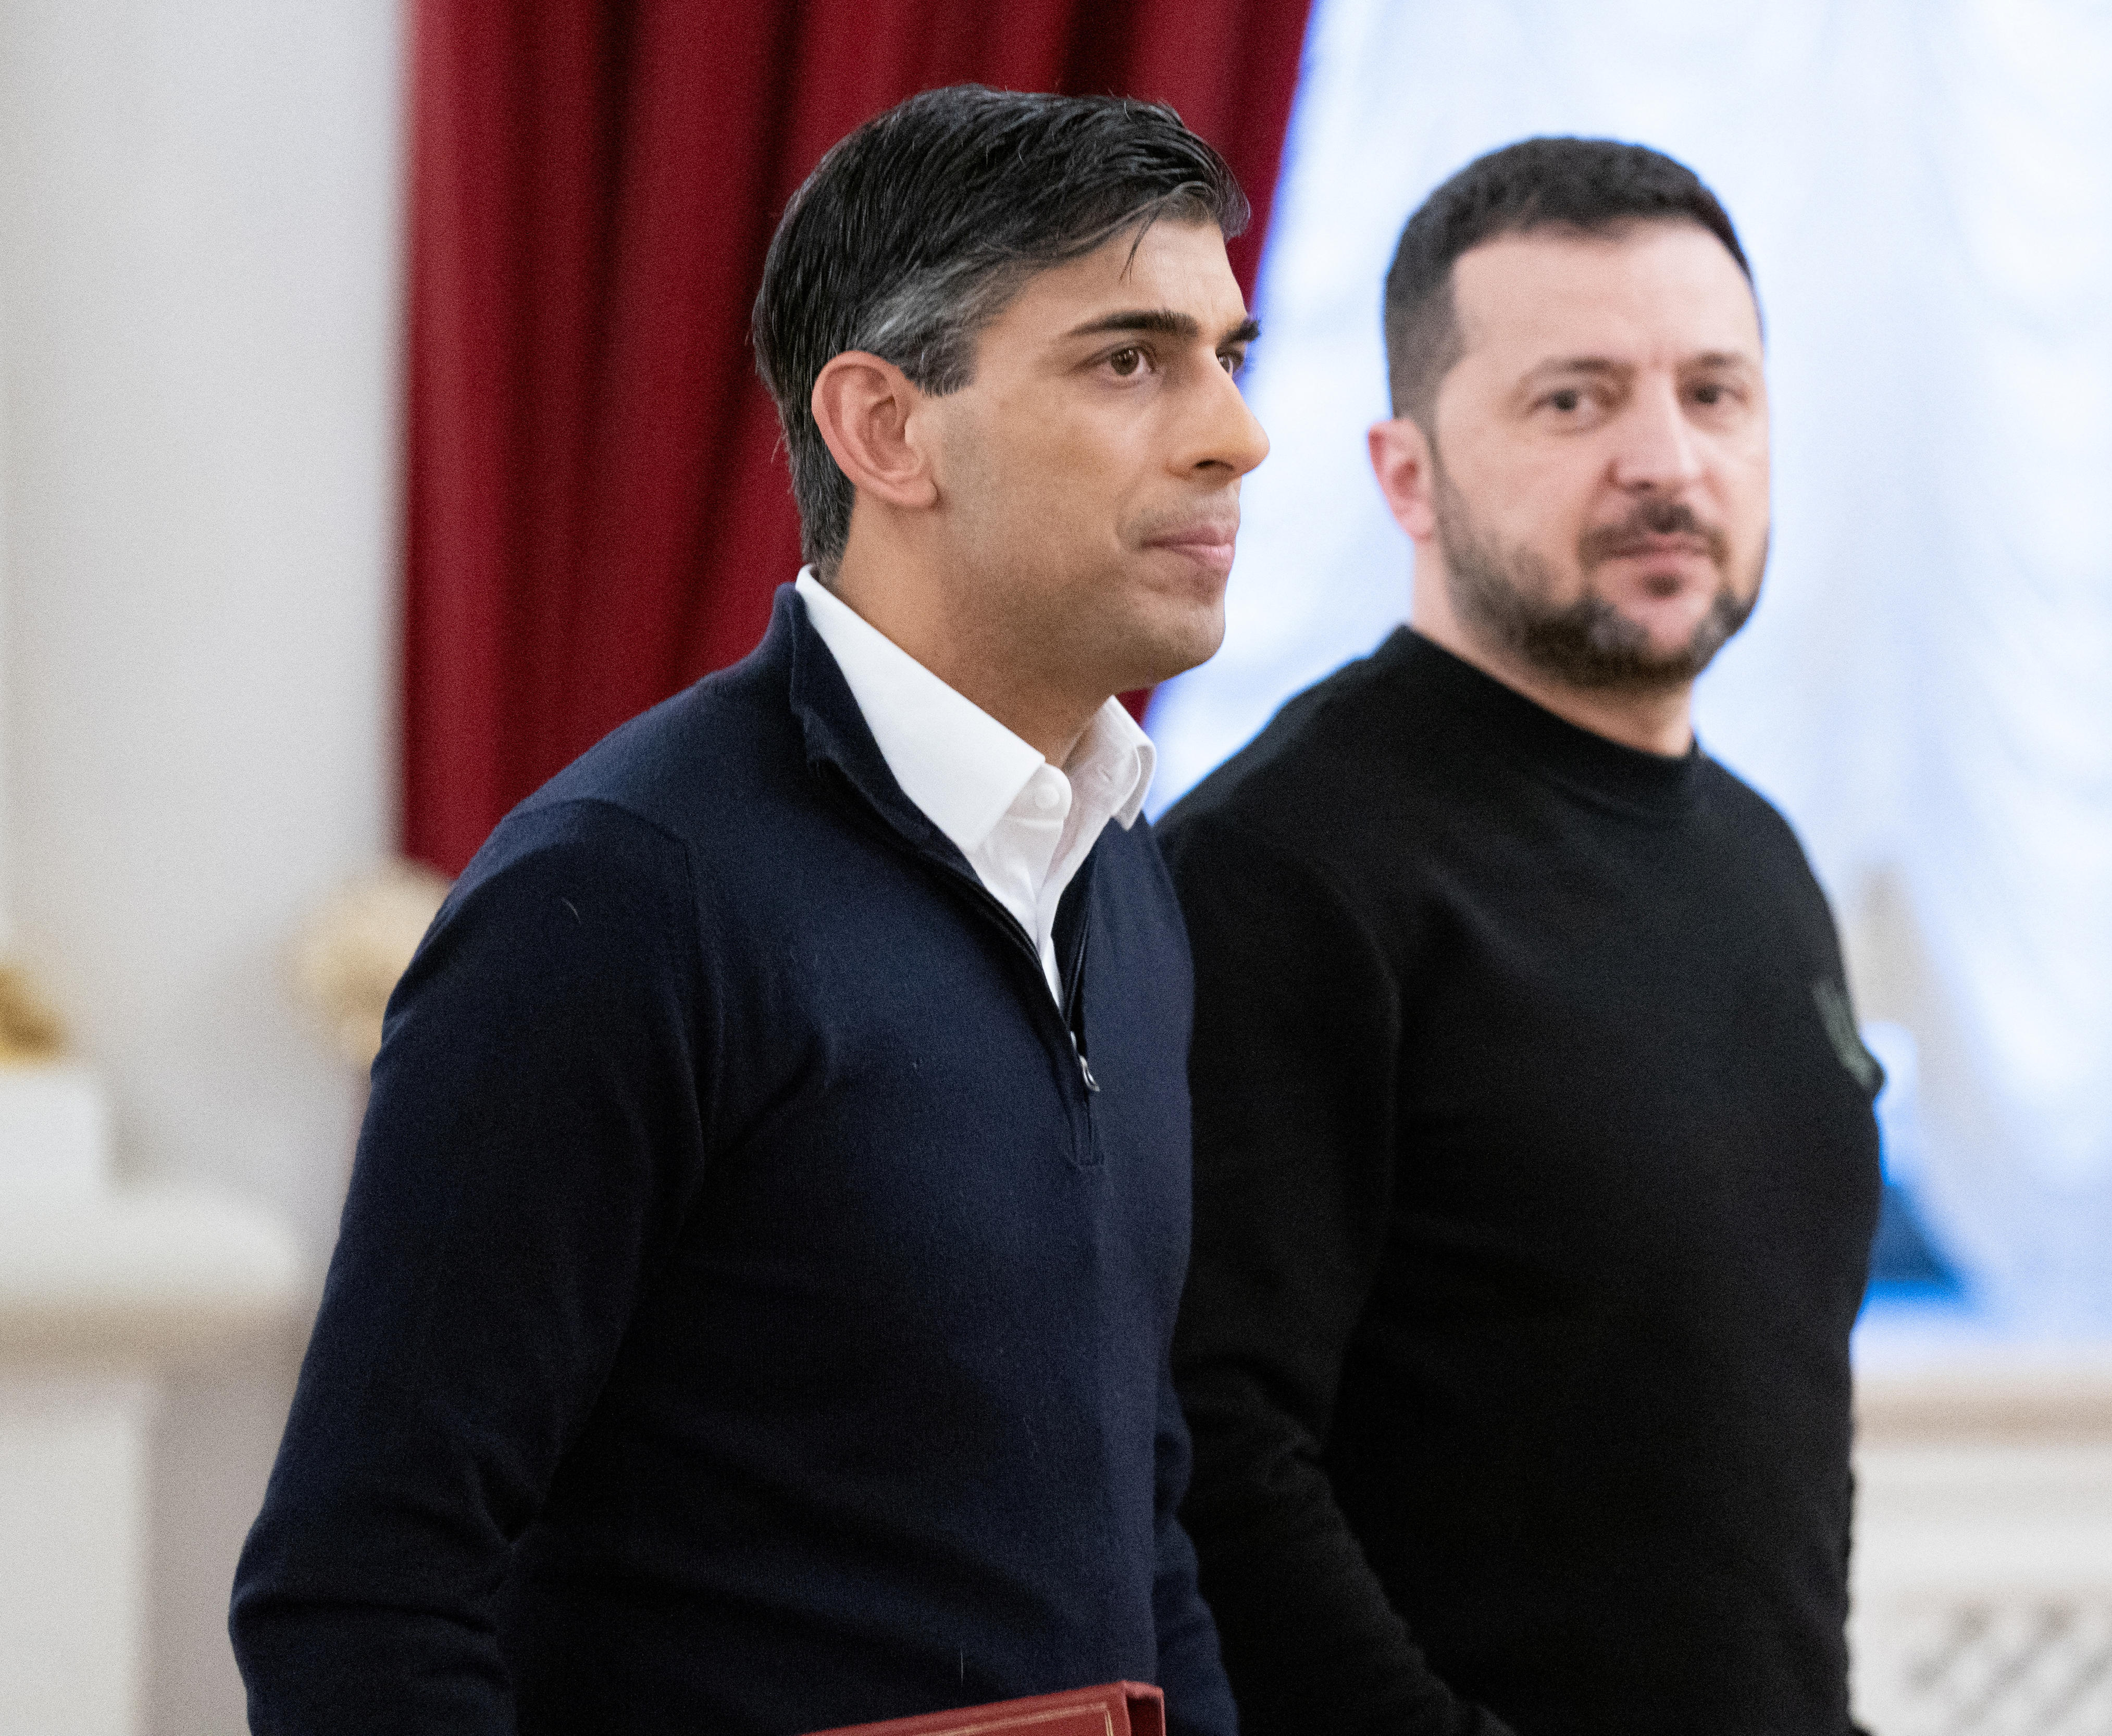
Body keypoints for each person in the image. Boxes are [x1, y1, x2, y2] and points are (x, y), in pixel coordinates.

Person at [232, 86, 1268, 1736]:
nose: (1235, 433)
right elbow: (359, 1594)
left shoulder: (1123, 879)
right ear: (883, 427)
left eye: (1231, 354)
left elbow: (1139, 1536)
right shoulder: (618, 896)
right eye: (1129, 359)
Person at [1158, 139, 1882, 1736]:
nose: (1667, 462)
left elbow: (1744, 1491)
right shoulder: (1273, 874)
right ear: (1403, 473)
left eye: (1716, 393)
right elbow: (1209, 1465)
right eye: (1575, 400)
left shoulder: (1762, 863)